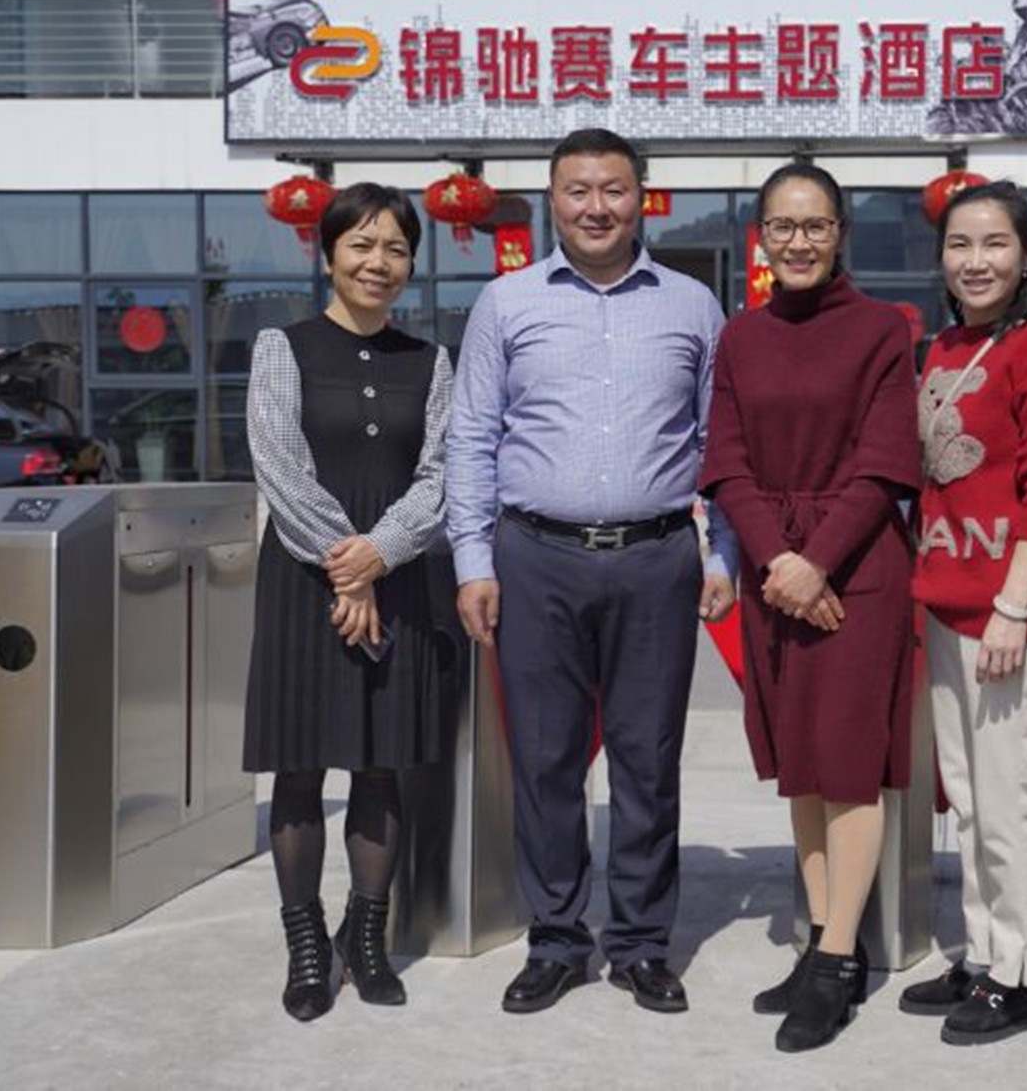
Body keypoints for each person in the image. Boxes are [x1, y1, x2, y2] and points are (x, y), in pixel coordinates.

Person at [445, 127, 738, 1018]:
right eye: (578, 190)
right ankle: (557, 940)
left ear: (642, 198)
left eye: (614, 189)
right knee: (546, 760)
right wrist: (472, 560)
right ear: (553, 199)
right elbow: (472, 436)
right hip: (535, 557)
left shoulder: (692, 305)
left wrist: (722, 550)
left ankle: (642, 944)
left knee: (649, 760)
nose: (596, 207)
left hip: (656, 557)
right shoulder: (506, 302)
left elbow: (720, 442)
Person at [698, 162, 922, 1054]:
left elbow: (886, 462)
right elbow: (725, 461)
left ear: (840, 236)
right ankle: (826, 941)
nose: (799, 241)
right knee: (801, 761)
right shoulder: (742, 337)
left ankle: (835, 962)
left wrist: (816, 560)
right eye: (783, 226)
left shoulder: (881, 330)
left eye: (816, 225)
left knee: (849, 763)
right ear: (761, 237)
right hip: (774, 573)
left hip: (857, 569)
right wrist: (777, 560)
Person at [243, 181, 457, 1022]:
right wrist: (347, 566)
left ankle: (365, 937)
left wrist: (379, 556)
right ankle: (306, 947)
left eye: (396, 248)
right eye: (361, 245)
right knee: (300, 768)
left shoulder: (430, 361)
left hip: (396, 583)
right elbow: (277, 461)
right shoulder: (282, 348)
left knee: (379, 764)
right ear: (327, 254)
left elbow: (440, 476)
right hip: (305, 583)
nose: (379, 262)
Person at [901, 181, 1027, 1046]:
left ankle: (1021, 974)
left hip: (1007, 616)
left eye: (995, 244)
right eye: (960, 244)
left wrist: (1016, 604)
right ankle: (981, 955)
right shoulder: (945, 346)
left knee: (1011, 803)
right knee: (970, 802)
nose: (976, 261)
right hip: (945, 604)